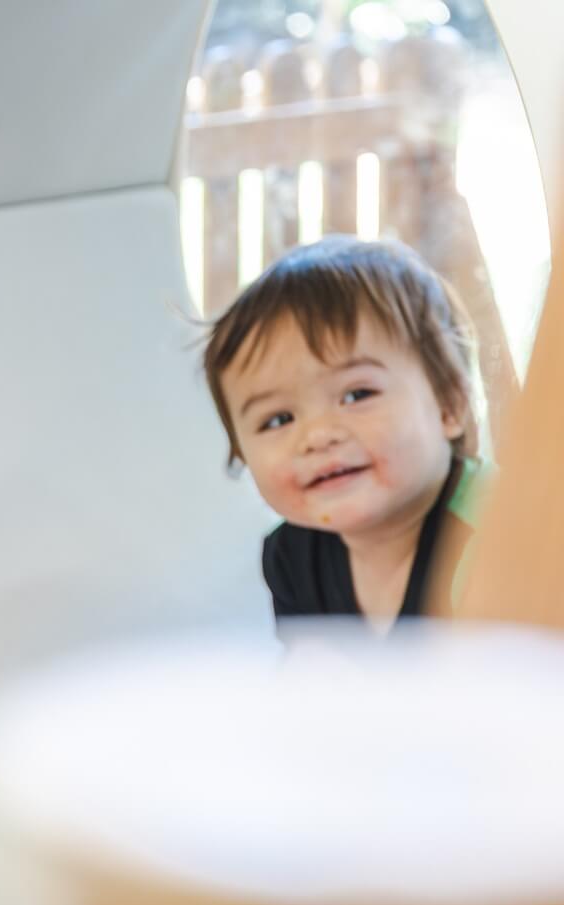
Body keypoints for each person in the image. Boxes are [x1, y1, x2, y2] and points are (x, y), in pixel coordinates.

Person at [201, 236, 492, 632]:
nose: (318, 436)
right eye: (278, 419)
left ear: (449, 404)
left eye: (357, 395)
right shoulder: (291, 556)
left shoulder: (498, 533)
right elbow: (316, 686)